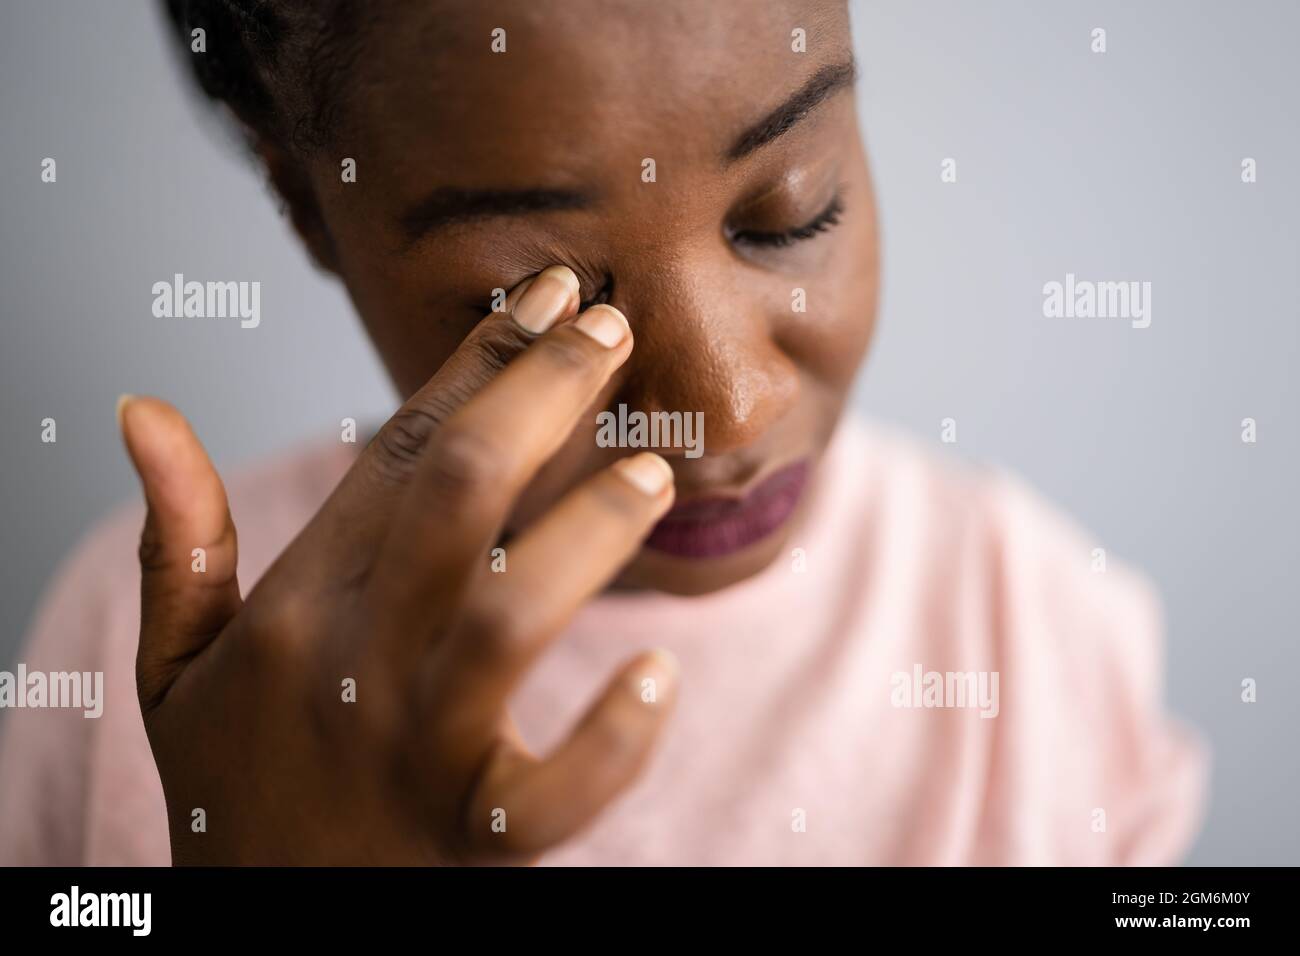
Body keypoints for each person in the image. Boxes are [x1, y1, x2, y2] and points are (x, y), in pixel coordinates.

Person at [0, 0, 1206, 865]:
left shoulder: (1038, 630)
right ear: (308, 210)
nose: (728, 412)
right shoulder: (161, 655)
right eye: (537, 302)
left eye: (791, 214)